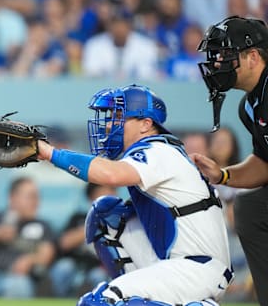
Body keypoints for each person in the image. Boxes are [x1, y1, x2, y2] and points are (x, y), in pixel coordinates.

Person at [33, 84, 231, 305]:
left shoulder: (158, 150)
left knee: (101, 301)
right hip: (176, 261)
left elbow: (110, 175)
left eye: (119, 117)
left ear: (146, 124)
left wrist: (50, 153)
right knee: (107, 214)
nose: (109, 124)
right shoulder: (156, 150)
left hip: (197, 269)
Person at [194, 15, 268, 305]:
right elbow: (264, 163)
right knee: (251, 208)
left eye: (226, 55)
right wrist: (223, 175)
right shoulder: (249, 105)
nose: (217, 64)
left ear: (252, 57)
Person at [49, 183, 115, 297]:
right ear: (91, 198)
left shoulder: (118, 222)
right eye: (103, 194)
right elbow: (63, 243)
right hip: (76, 264)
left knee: (98, 275)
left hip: (100, 267)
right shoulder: (79, 218)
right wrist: (93, 225)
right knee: (64, 267)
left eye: (112, 193)